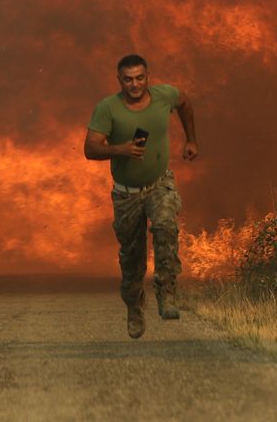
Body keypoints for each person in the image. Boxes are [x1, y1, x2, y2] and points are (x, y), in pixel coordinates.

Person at [84, 54, 198, 339]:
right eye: (128, 79)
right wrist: (119, 149)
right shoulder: (108, 109)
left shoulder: (165, 96)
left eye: (140, 78)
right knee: (132, 259)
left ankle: (167, 292)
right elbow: (90, 148)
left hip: (160, 183)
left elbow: (185, 103)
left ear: (148, 77)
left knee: (166, 226)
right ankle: (134, 306)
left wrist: (191, 139)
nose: (135, 84)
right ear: (119, 80)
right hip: (127, 195)